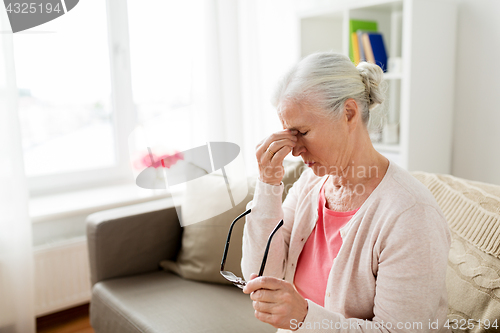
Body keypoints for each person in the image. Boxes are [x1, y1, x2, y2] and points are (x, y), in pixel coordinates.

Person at [240, 52, 451, 332]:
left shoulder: (411, 215)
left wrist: (303, 316)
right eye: (288, 134)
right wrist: (268, 185)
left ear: (349, 113)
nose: (293, 148)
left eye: (301, 132)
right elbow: (261, 275)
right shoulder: (308, 185)